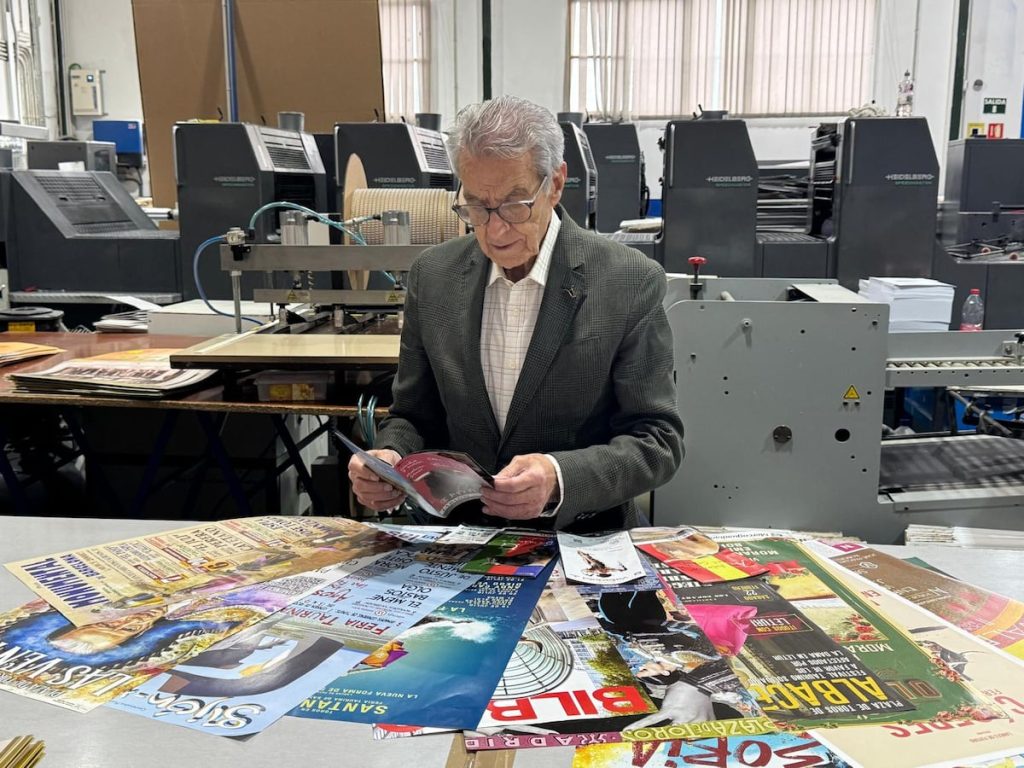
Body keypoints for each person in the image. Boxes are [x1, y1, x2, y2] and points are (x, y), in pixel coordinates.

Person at [348, 95, 683, 532]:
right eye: (477, 206)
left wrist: (559, 476)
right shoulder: (434, 276)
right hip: (464, 535)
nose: (496, 228)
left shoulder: (628, 280)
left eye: (515, 203)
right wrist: (391, 457)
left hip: (579, 535)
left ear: (555, 184)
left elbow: (657, 441)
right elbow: (413, 414)